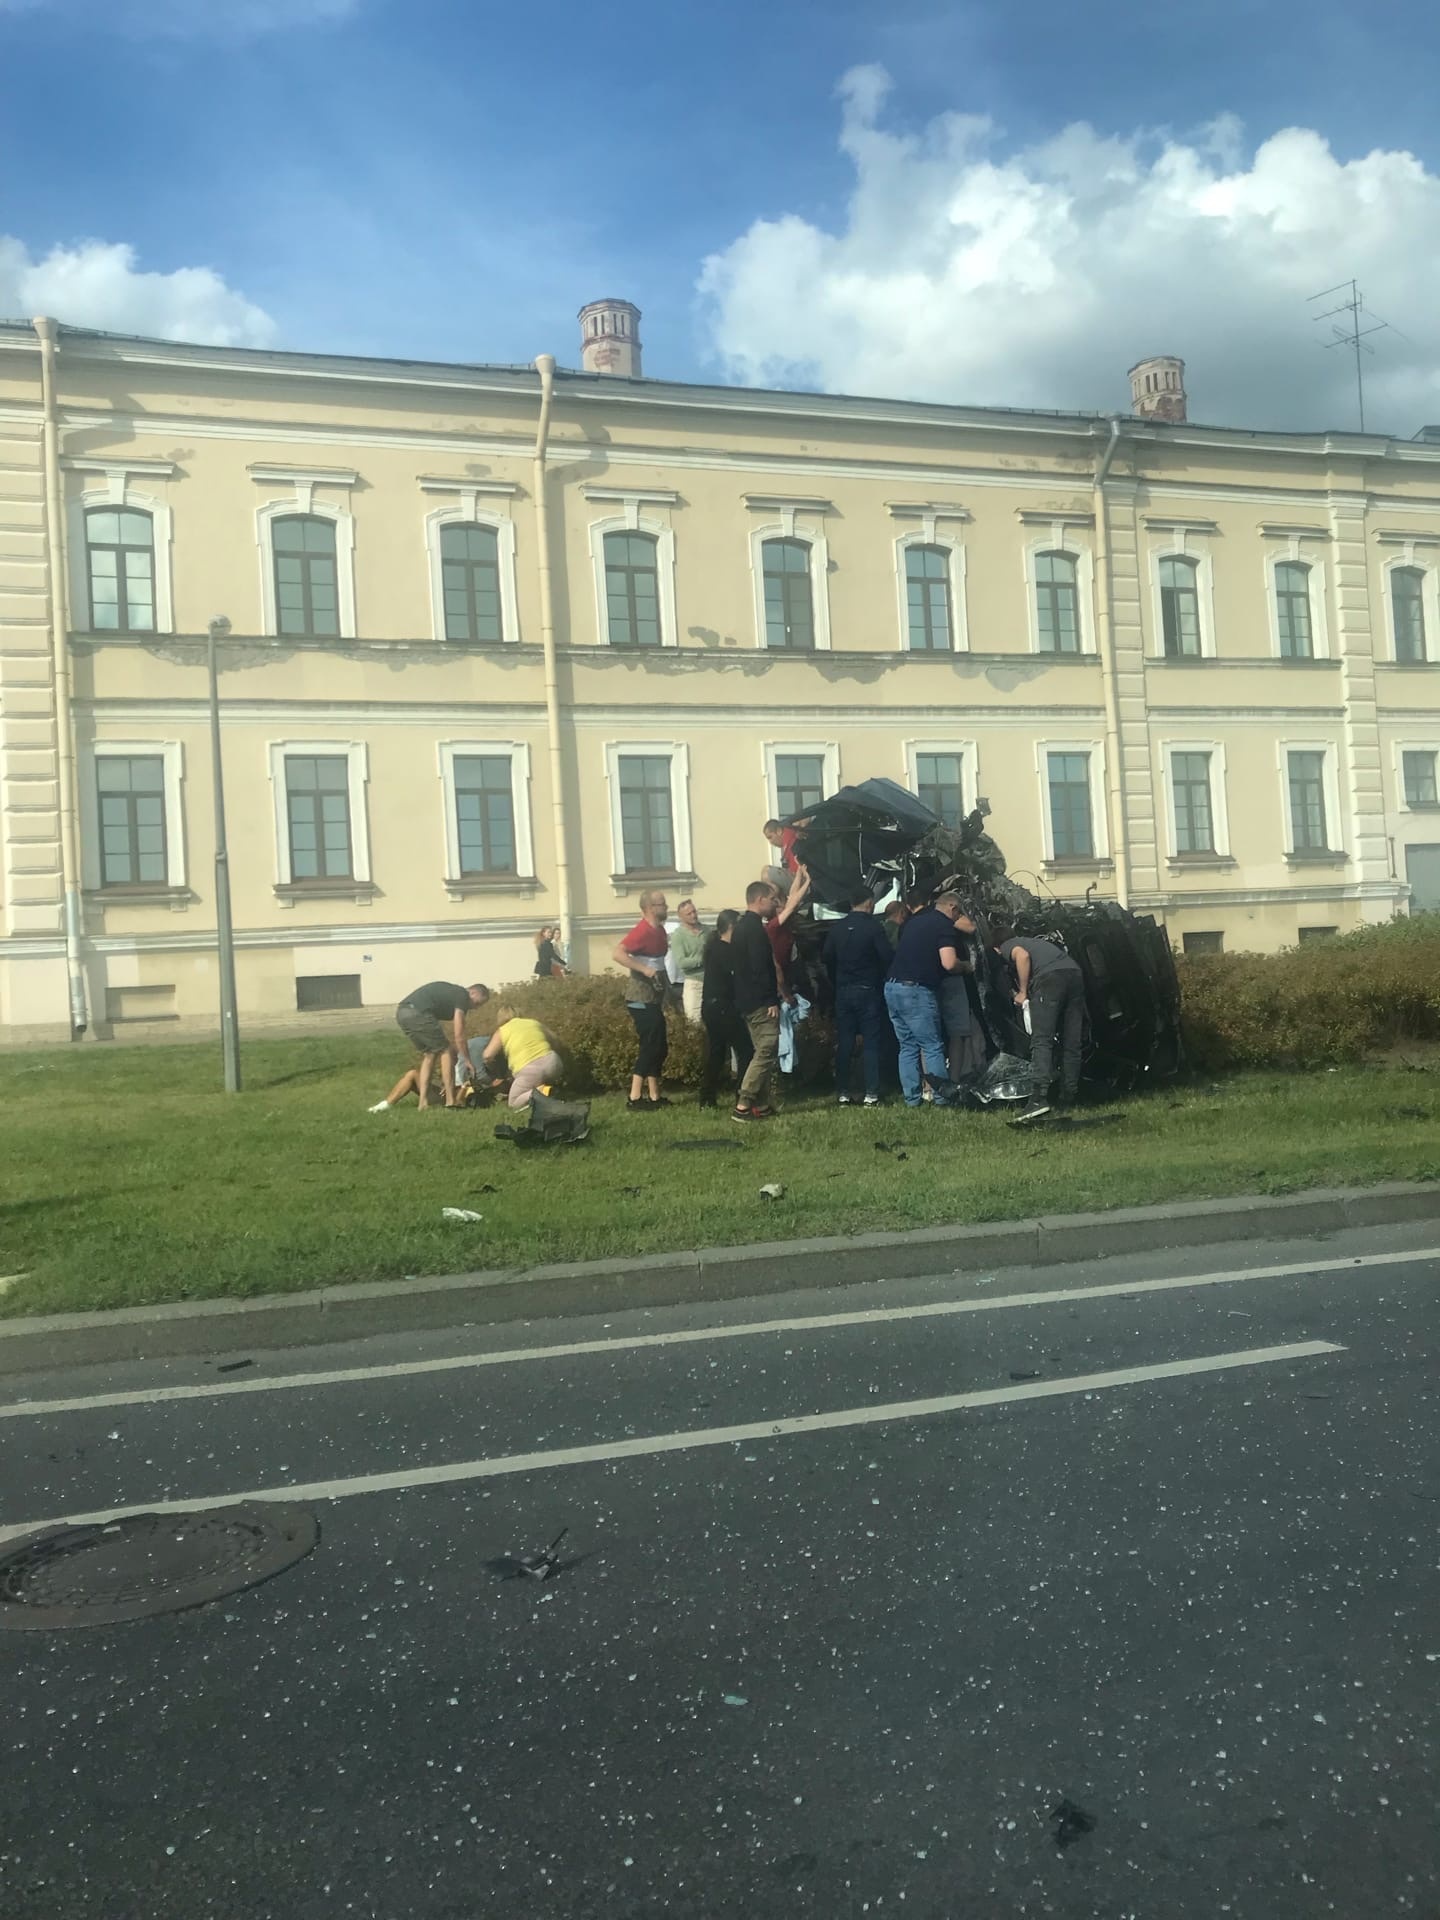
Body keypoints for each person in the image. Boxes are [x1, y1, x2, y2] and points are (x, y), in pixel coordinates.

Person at [884, 894, 974, 1108]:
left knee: (907, 1047)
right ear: (952, 907)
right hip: (916, 990)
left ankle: (912, 1099)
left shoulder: (914, 922)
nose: (958, 917)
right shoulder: (943, 925)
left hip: (892, 986)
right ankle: (943, 1098)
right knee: (932, 1045)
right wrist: (966, 966)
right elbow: (949, 963)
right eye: (959, 912)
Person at [991, 921, 1086, 1120]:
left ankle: (1038, 1099)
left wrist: (1023, 992)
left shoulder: (1010, 944)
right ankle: (1069, 1096)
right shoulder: (1035, 942)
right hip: (1075, 974)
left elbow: (1022, 956)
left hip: (1050, 980)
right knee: (1071, 1042)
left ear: (996, 948)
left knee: (1042, 1039)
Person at [824, 888, 892, 1106]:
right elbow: (886, 957)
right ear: (870, 903)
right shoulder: (873, 927)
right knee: (871, 1042)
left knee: (845, 1041)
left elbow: (826, 956)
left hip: (843, 990)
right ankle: (871, 1093)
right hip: (868, 989)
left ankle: (843, 1092)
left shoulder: (837, 928)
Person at [730, 880, 786, 1122]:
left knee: (760, 1051)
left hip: (744, 1000)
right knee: (766, 1049)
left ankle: (761, 1104)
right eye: (772, 899)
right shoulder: (755, 930)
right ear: (760, 900)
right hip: (760, 1002)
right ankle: (744, 1104)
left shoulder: (740, 928)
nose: (775, 903)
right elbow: (760, 968)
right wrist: (770, 999)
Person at [612, 889, 671, 1112]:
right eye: (660, 904)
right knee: (650, 1044)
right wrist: (644, 969)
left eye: (664, 903)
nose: (665, 907)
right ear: (648, 908)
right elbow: (617, 953)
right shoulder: (641, 931)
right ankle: (635, 1096)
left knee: (660, 1045)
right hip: (639, 998)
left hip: (655, 998)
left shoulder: (661, 931)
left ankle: (655, 1095)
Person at [393, 980, 490, 1110]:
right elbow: (459, 1035)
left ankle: (423, 1102)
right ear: (472, 992)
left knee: (430, 1054)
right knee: (446, 1051)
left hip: (402, 1012)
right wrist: (467, 1060)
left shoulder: (454, 993)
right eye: (477, 1003)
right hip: (417, 1012)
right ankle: (450, 1102)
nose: (475, 1007)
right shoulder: (462, 995)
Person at [698, 908, 752, 1107]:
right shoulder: (725, 950)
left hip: (710, 1006)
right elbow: (738, 978)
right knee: (746, 1051)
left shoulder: (714, 948)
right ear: (732, 927)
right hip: (723, 1007)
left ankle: (706, 1098)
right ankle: (742, 1095)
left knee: (717, 1053)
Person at [481, 1006, 563, 1110]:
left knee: (514, 1102)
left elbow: (487, 1055)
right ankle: (549, 1092)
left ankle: (543, 1092)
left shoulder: (502, 1030)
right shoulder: (533, 1022)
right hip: (553, 1062)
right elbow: (556, 1040)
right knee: (538, 1079)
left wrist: (492, 1065)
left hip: (530, 1069)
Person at [766, 864, 811, 998]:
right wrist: (808, 881)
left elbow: (792, 897)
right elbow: (792, 904)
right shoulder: (773, 925)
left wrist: (799, 873)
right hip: (782, 973)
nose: (782, 906)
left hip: (790, 965)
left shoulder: (778, 921)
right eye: (778, 905)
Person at [666, 899, 709, 1025]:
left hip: (711, 981)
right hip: (694, 982)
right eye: (688, 914)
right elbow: (681, 962)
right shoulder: (678, 935)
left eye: (694, 911)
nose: (693, 915)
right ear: (681, 917)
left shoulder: (707, 930)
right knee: (694, 1021)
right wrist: (702, 960)